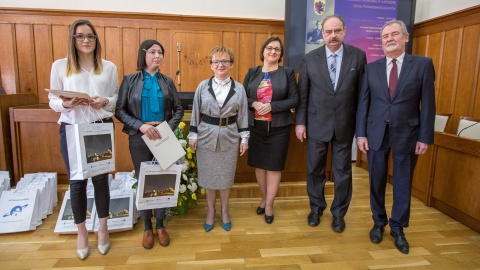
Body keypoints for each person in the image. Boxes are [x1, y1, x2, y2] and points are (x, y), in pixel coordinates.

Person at [356, 20, 435, 254]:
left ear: (405, 38)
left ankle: (398, 227)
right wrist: (360, 133)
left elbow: (428, 105)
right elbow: (364, 104)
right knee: (376, 181)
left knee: (402, 183)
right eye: (385, 36)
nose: (389, 39)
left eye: (394, 34)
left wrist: (425, 137)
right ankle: (378, 222)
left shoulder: (422, 65)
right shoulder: (372, 68)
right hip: (376, 134)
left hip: (408, 134)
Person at [48, 19, 118, 260]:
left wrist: (105, 101)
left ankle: (103, 228)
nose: (86, 40)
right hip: (72, 128)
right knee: (77, 182)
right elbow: (52, 100)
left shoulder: (109, 67)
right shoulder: (60, 66)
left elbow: (115, 97)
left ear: (96, 40)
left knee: (101, 180)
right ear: (73, 40)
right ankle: (81, 232)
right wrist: (65, 103)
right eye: (80, 36)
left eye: (90, 36)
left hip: (99, 127)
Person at [295, 15, 366, 233]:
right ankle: (316, 209)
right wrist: (300, 123)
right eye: (328, 32)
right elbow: (303, 94)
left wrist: (361, 129)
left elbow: (363, 95)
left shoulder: (358, 56)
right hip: (316, 124)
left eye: (337, 31)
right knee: (315, 170)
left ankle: (339, 214)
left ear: (344, 31)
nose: (332, 36)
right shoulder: (309, 58)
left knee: (343, 172)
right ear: (322, 34)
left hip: (345, 124)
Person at [115, 39, 184, 249]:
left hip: (163, 136)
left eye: (161, 52)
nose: (158, 56)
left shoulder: (168, 81)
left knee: (163, 180)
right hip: (139, 136)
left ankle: (161, 225)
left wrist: (167, 128)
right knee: (144, 180)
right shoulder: (130, 80)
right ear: (143, 54)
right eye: (153, 52)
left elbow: (179, 110)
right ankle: (147, 226)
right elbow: (120, 110)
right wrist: (141, 126)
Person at [188, 46, 249, 232]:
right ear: (211, 65)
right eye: (216, 61)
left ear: (231, 64)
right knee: (208, 177)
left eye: (224, 61)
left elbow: (244, 115)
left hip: (230, 136)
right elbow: (196, 113)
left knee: (225, 178)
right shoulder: (202, 86)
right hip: (206, 136)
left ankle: (224, 210)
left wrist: (244, 139)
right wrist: (193, 134)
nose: (220, 64)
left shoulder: (239, 89)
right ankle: (210, 211)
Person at [243, 36, 298, 224]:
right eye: (269, 48)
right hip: (256, 127)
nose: (273, 51)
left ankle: (269, 205)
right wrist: (255, 103)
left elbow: (294, 99)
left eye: (277, 49)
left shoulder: (287, 73)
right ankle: (264, 198)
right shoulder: (252, 72)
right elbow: (242, 97)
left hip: (278, 128)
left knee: (274, 167)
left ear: (281, 54)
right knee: (259, 165)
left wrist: (272, 106)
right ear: (263, 51)